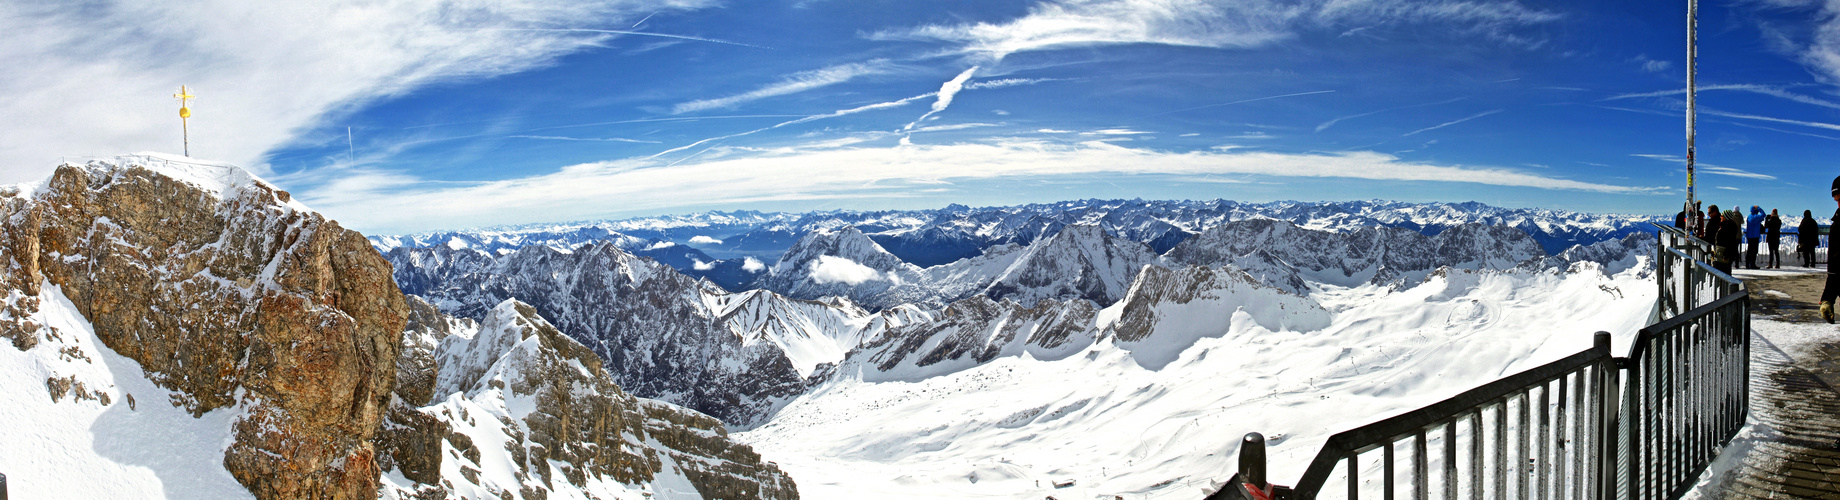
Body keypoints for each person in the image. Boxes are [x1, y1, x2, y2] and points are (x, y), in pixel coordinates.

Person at [1824, 176, 1840, 323]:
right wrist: (1827, 298)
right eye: (1836, 198)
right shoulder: (1838, 221)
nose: (1837, 201)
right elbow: (1836, 265)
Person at [1719, 208, 1742, 275]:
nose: (1721, 217)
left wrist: (1726, 254)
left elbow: (1729, 242)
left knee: (1726, 270)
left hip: (1726, 253)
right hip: (1725, 252)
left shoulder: (1728, 227)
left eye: (1722, 216)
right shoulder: (1729, 226)